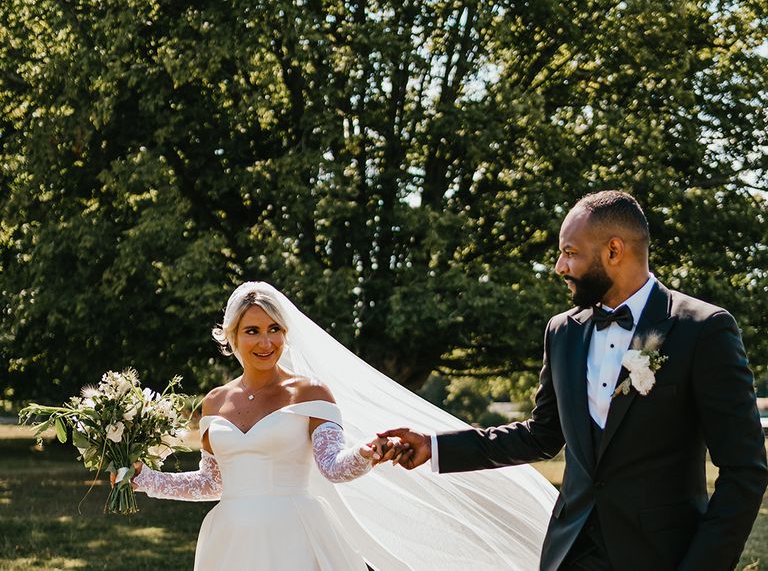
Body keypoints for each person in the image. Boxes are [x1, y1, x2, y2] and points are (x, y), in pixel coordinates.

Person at [381, 190, 768, 571]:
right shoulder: (562, 332)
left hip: (660, 555)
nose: (558, 267)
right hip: (570, 553)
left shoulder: (703, 329)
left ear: (613, 251)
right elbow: (541, 434)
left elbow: (744, 471)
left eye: (570, 252)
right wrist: (435, 447)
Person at [121, 282, 558, 571]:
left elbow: (333, 466)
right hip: (229, 540)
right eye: (252, 331)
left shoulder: (310, 393)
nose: (266, 341)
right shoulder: (215, 402)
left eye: (275, 329)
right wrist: (142, 479)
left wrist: (368, 453)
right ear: (232, 336)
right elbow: (210, 483)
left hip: (294, 534)